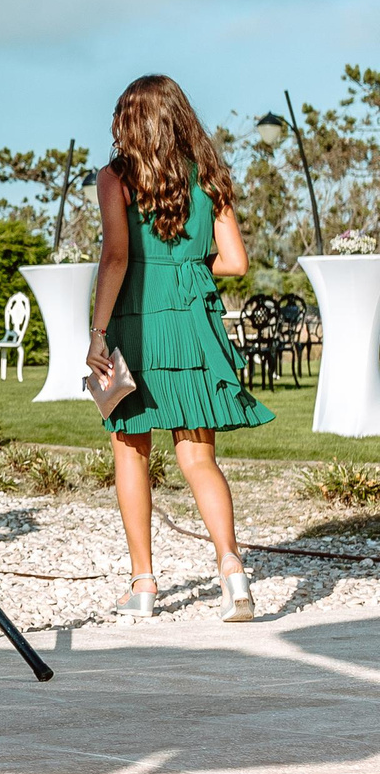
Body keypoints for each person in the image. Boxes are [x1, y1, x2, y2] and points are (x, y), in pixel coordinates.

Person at [86, 73, 272, 622]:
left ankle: (143, 585)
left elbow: (116, 258)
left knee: (130, 448)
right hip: (194, 325)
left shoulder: (114, 179)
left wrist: (97, 335)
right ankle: (233, 571)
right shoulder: (208, 179)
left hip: (135, 325)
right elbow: (235, 262)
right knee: (198, 456)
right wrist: (188, 268)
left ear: (131, 122)